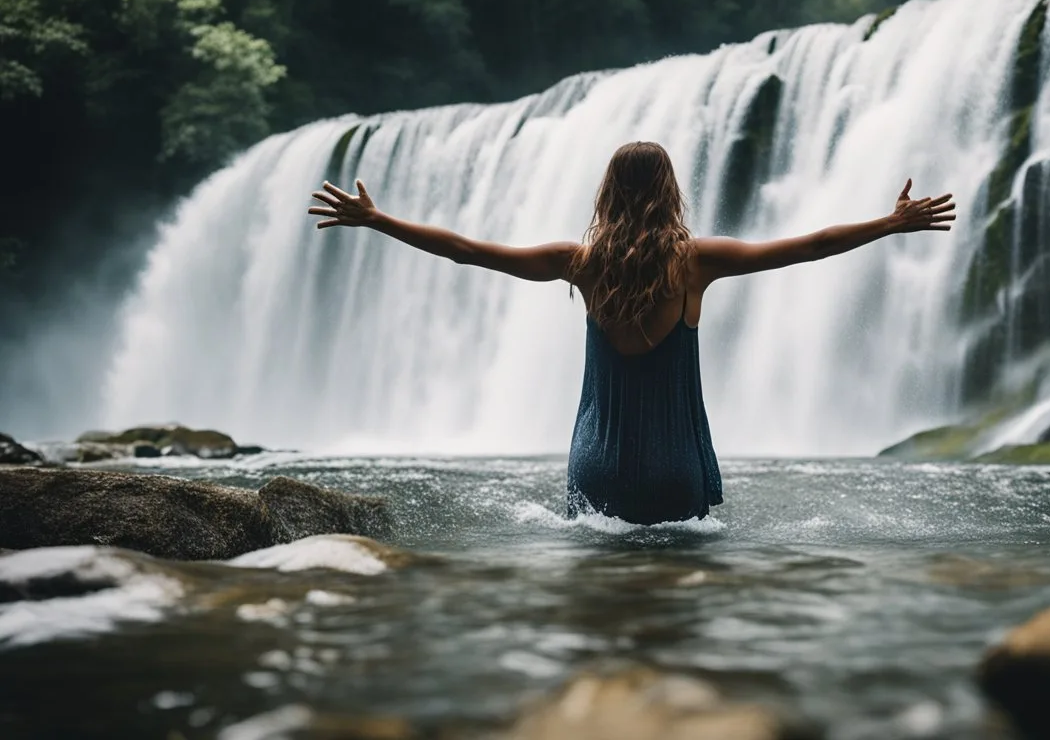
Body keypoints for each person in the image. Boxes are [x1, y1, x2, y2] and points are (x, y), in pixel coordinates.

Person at [309, 141, 954, 525]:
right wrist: (889, 223)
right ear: (671, 192)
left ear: (607, 193)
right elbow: (808, 247)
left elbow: (468, 252)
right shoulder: (697, 262)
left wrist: (378, 220)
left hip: (598, 471)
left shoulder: (579, 263)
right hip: (676, 472)